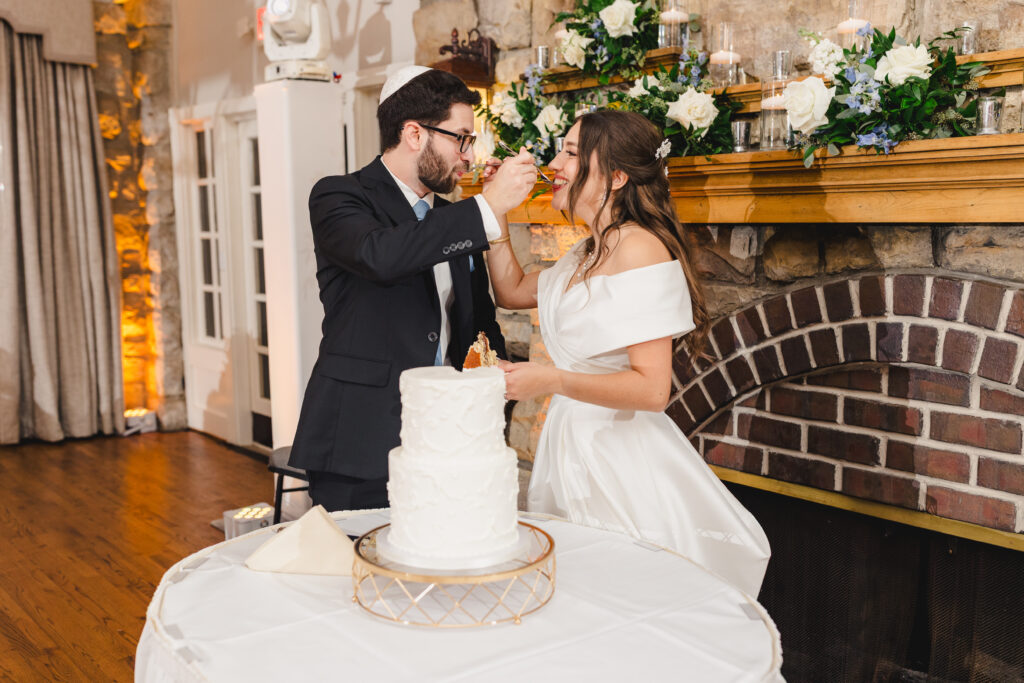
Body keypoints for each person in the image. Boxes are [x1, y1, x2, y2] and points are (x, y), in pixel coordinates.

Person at [485, 110, 771, 597]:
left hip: (617, 455)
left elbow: (652, 388)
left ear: (617, 177)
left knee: (615, 593)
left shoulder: (639, 248)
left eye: (572, 153)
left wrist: (550, 380)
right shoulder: (587, 250)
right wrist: (494, 212)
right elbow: (510, 290)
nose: (556, 163)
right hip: (574, 442)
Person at [288, 66, 538, 512]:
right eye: (461, 138)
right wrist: (488, 204)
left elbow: (477, 322)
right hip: (360, 443)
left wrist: (490, 383)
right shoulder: (339, 196)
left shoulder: (456, 218)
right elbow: (381, 256)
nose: (468, 155)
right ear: (414, 134)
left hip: (447, 442)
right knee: (354, 576)